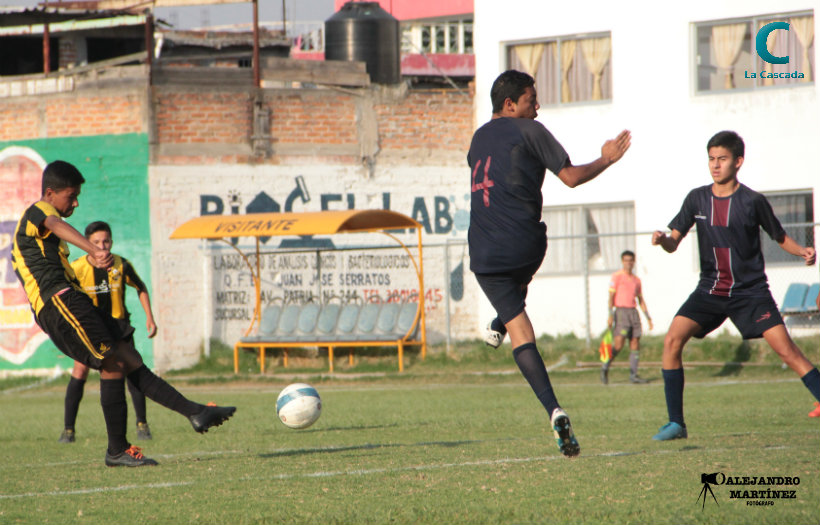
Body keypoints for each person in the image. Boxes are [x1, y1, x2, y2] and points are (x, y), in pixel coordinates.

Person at [12, 160, 236, 466]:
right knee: (111, 361)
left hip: (70, 298)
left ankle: (196, 412)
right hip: (57, 302)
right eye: (71, 196)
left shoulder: (45, 236)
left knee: (129, 358)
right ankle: (117, 449)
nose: (76, 202)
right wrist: (92, 249)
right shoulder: (38, 211)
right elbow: (56, 225)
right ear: (50, 193)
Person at [470, 70, 631, 457]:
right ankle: (501, 321)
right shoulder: (531, 132)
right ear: (510, 104)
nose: (537, 107)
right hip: (523, 244)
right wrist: (606, 159)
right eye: (531, 99)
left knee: (519, 328)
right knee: (537, 237)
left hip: (482, 254)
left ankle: (553, 408)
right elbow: (571, 178)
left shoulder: (477, 139)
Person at [650, 130, 820, 440]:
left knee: (787, 352)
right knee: (672, 341)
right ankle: (676, 423)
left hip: (750, 292)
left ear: (738, 162)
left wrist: (803, 251)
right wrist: (663, 240)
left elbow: (779, 237)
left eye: (722, 159)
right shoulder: (696, 198)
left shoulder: (752, 201)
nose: (715, 165)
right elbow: (673, 242)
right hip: (710, 290)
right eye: (711, 159)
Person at [58, 221, 157, 444]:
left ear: (111, 242)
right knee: (80, 371)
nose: (102, 246)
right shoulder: (77, 268)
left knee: (132, 371)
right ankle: (68, 430)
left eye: (106, 241)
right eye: (96, 242)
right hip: (90, 330)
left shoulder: (121, 265)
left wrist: (149, 317)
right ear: (87, 244)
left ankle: (142, 424)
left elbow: (141, 287)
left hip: (120, 328)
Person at [601, 250, 653, 385]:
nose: (628, 263)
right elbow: (611, 297)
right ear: (622, 261)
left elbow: (640, 299)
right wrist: (610, 315)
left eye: (631, 260)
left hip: (633, 313)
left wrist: (648, 317)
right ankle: (605, 366)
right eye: (626, 260)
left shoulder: (637, 280)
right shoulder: (617, 276)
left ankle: (634, 375)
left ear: (634, 262)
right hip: (621, 313)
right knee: (618, 344)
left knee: (635, 343)